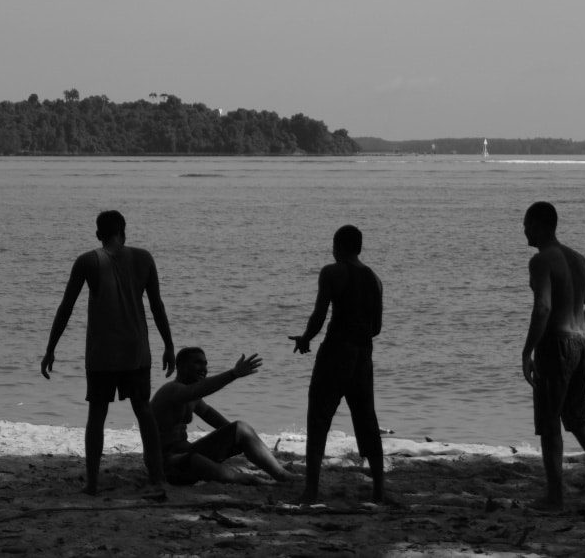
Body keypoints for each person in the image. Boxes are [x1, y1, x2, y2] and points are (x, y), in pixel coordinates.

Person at [41, 210, 176, 495]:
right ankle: (158, 477)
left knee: (97, 414)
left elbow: (66, 306)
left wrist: (51, 348)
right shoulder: (144, 258)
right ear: (123, 231)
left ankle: (92, 483)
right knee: (143, 411)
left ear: (98, 234)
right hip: (136, 351)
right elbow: (157, 306)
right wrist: (169, 345)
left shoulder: (87, 261)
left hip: (102, 353)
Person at [521, 201, 585, 509]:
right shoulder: (580, 259)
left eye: (526, 224)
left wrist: (528, 352)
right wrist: (580, 337)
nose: (524, 230)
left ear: (539, 225)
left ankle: (555, 496)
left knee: (550, 422)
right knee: (578, 418)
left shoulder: (541, 261)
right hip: (582, 340)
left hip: (557, 343)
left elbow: (544, 307)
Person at [290, 225, 385, 505]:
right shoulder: (375, 279)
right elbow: (376, 327)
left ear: (337, 245)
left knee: (318, 418)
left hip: (336, 352)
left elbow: (320, 313)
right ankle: (379, 489)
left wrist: (306, 337)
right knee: (367, 420)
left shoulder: (332, 272)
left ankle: (311, 491)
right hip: (363, 355)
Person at [151, 347, 299, 485]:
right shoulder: (172, 390)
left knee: (241, 428)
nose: (204, 369)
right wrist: (233, 374)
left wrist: (240, 439)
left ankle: (281, 474)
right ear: (181, 366)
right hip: (168, 463)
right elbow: (197, 390)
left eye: (205, 364)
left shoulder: (193, 397)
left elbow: (209, 414)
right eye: (198, 363)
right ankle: (247, 479)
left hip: (187, 452)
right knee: (196, 460)